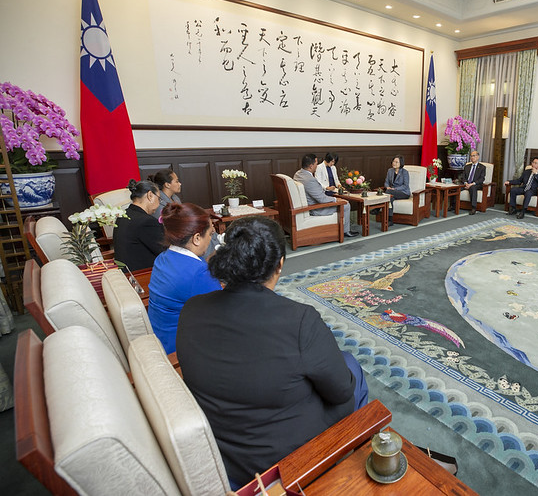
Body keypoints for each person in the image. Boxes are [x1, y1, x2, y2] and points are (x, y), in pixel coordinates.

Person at [176, 216, 368, 489]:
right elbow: (341, 392)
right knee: (352, 369)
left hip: (222, 450)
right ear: (279, 264)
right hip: (281, 460)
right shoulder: (300, 320)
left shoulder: (192, 308)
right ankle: (355, 466)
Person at [147, 203, 222, 353]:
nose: (210, 240)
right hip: (180, 350)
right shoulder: (199, 274)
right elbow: (223, 313)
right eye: (210, 235)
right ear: (197, 238)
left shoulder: (163, 258)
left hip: (161, 339)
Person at [294, 154, 358, 237]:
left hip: (309, 203)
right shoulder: (310, 180)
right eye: (316, 163)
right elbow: (322, 199)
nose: (317, 165)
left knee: (339, 200)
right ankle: (345, 231)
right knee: (346, 204)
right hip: (315, 208)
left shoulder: (298, 174)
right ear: (311, 166)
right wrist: (335, 200)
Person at [113, 179, 165, 271]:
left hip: (125, 273)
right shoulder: (147, 222)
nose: (158, 204)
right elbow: (165, 252)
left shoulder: (123, 215)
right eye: (159, 199)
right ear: (150, 195)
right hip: (143, 274)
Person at [384, 155, 410, 226]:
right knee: (390, 198)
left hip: (404, 192)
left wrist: (395, 189)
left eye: (396, 162)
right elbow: (386, 182)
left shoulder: (405, 172)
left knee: (388, 193)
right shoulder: (390, 171)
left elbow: (405, 186)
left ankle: (377, 209)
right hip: (392, 192)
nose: (394, 163)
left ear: (401, 163)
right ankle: (390, 220)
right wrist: (387, 187)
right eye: (393, 161)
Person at [459, 150, 486, 215]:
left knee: (473, 188)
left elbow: (482, 179)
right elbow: (463, 176)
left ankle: (473, 208)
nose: (472, 157)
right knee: (456, 188)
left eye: (474, 156)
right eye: (471, 156)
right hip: (466, 183)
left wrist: (472, 184)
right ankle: (453, 205)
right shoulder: (467, 166)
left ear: (478, 157)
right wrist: (465, 183)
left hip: (476, 184)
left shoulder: (482, 167)